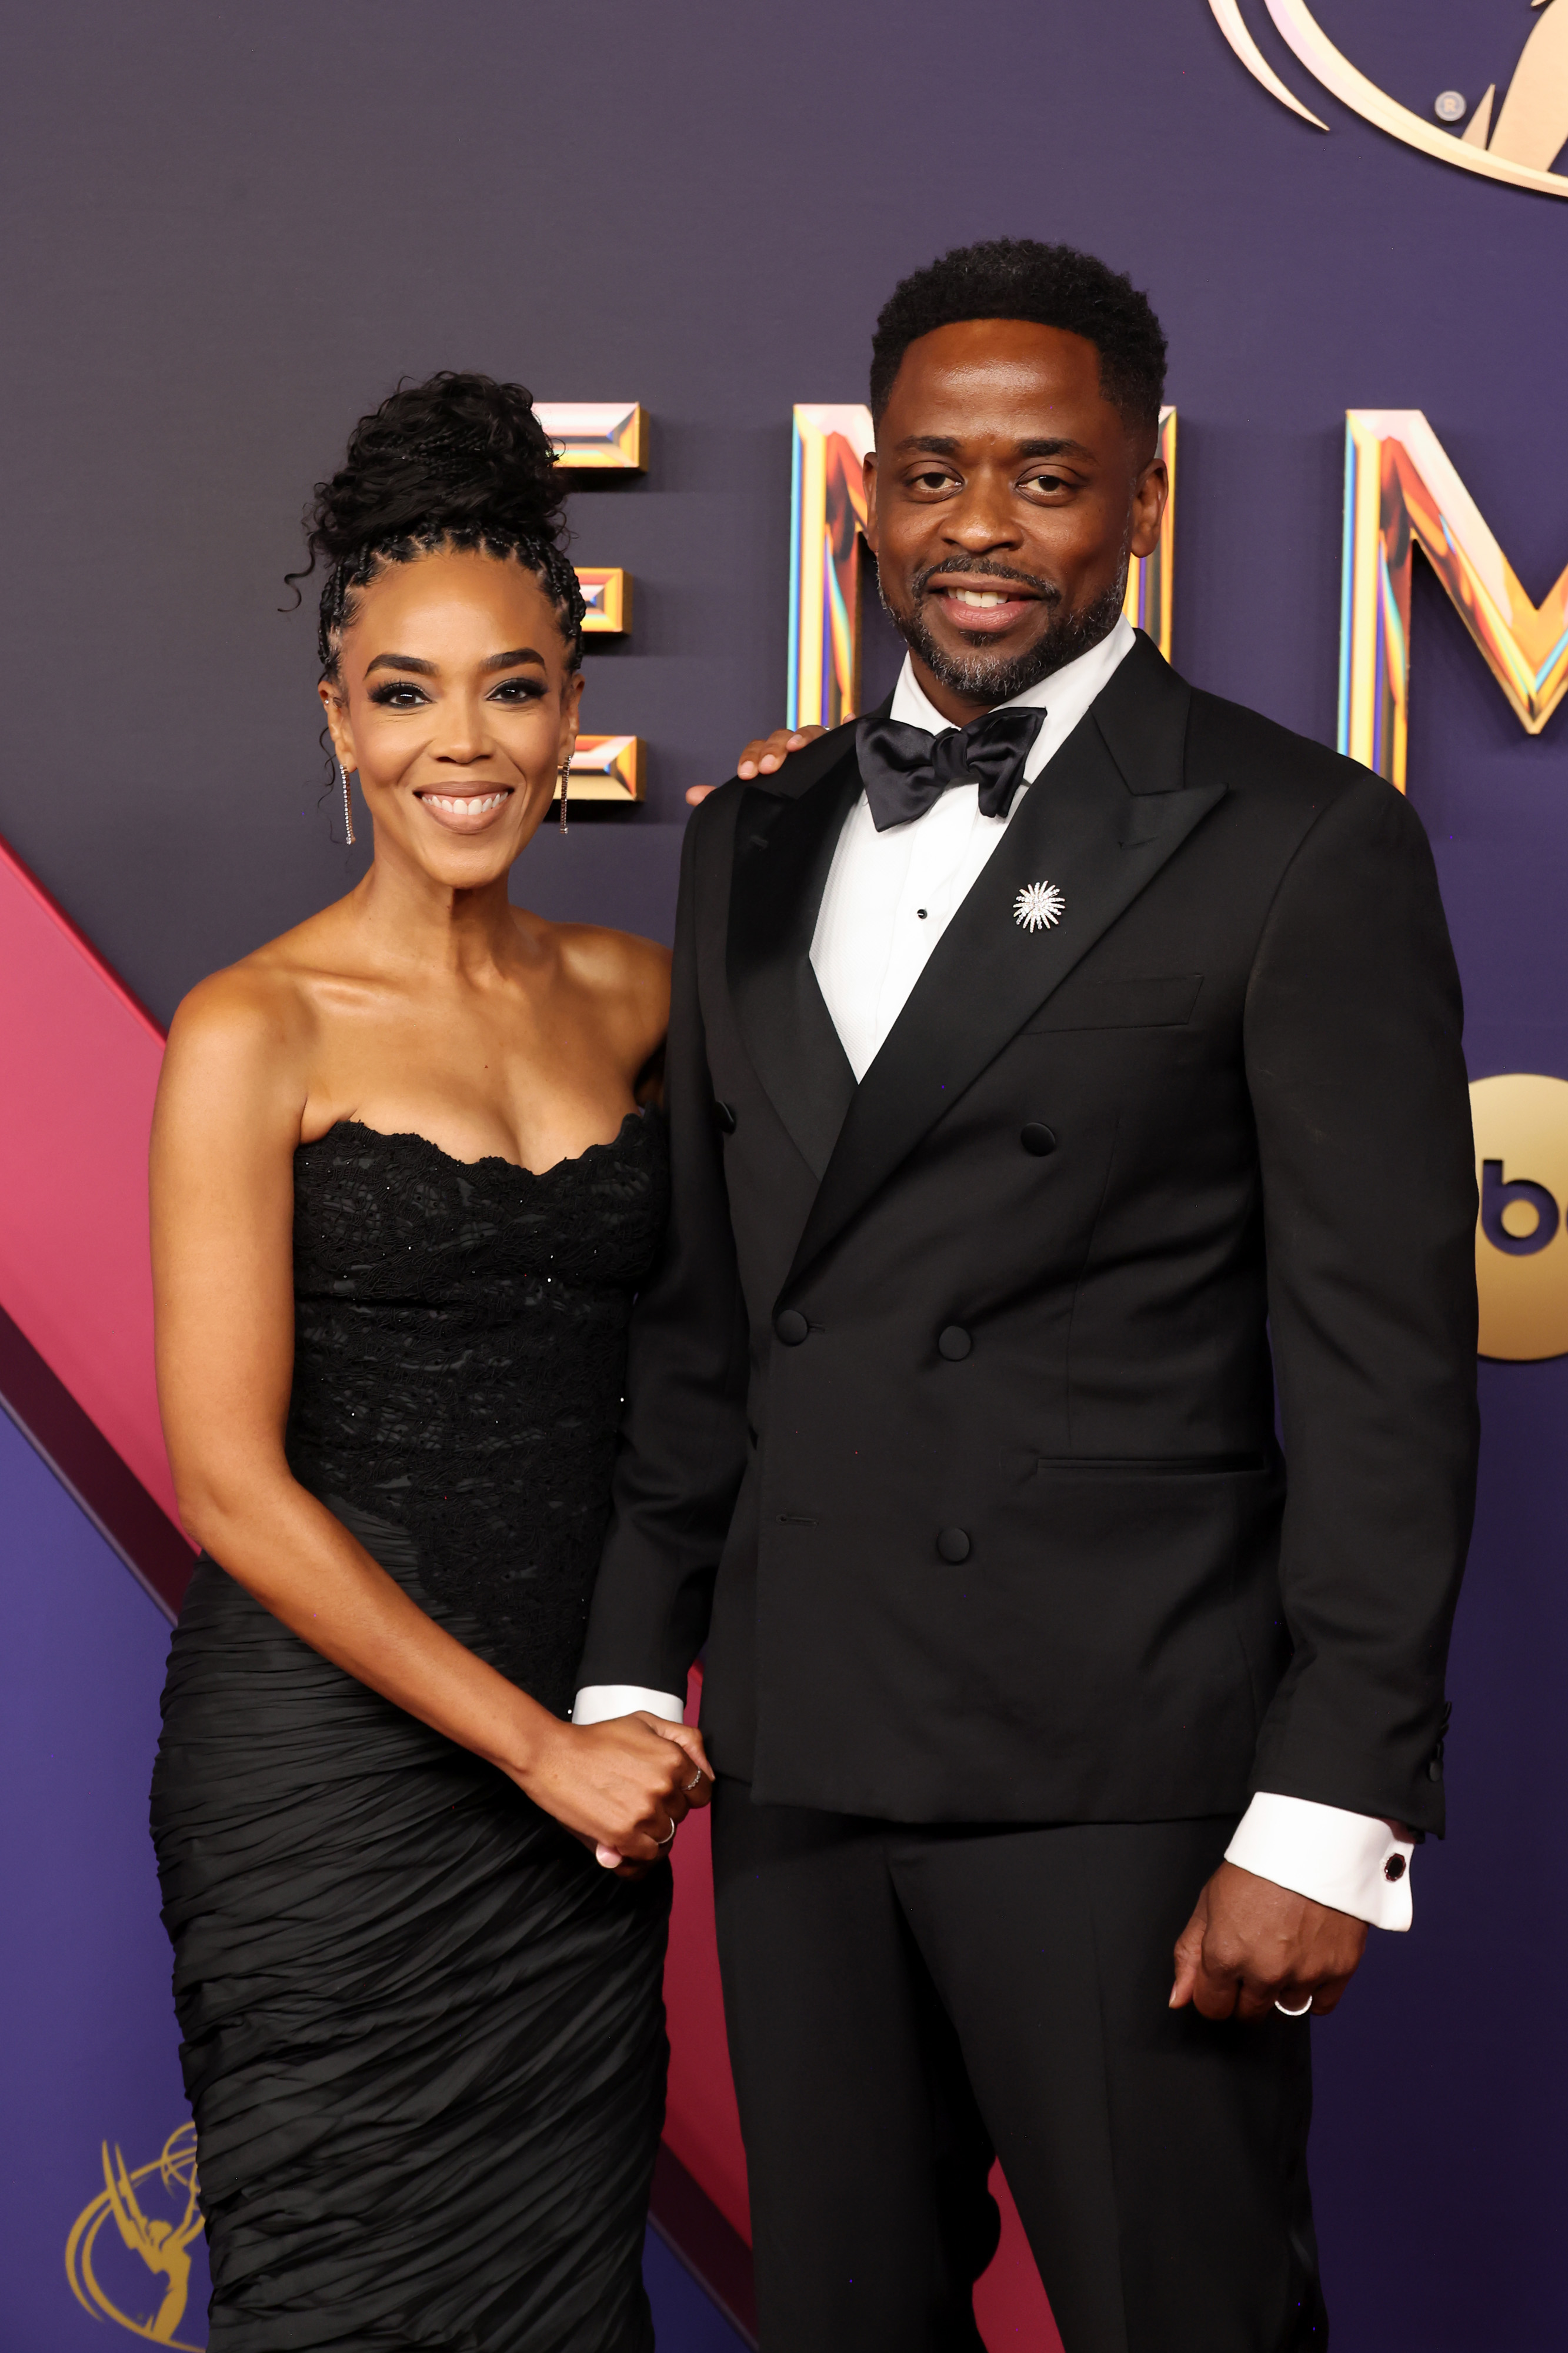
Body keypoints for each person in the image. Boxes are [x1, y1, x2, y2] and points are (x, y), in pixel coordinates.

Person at [573, 241, 1479, 2350]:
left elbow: (1380, 1375)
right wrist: (636, 1665)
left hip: (1126, 1772)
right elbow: (712, 1313)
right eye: (931, 472)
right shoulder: (755, 837)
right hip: (800, 1755)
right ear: (864, 499)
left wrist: (1329, 1810)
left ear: (1143, 500)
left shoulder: (1295, 837)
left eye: (1047, 478)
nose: (980, 527)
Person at [148, 372, 712, 2353]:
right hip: (335, 1775)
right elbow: (228, 1484)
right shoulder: (253, 1026)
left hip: (573, 1808)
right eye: (404, 692)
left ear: (571, 703)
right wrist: (536, 1743)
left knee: (561, 2308)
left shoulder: (646, 1000)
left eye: (509, 689)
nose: (460, 745)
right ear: (337, 717)